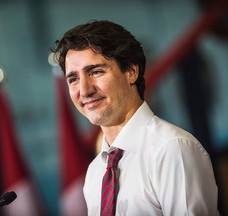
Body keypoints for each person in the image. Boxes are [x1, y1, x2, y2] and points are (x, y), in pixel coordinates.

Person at [51, 20, 218, 215]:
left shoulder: (172, 149)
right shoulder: (96, 171)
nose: (84, 90)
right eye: (73, 79)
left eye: (96, 72)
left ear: (131, 71)